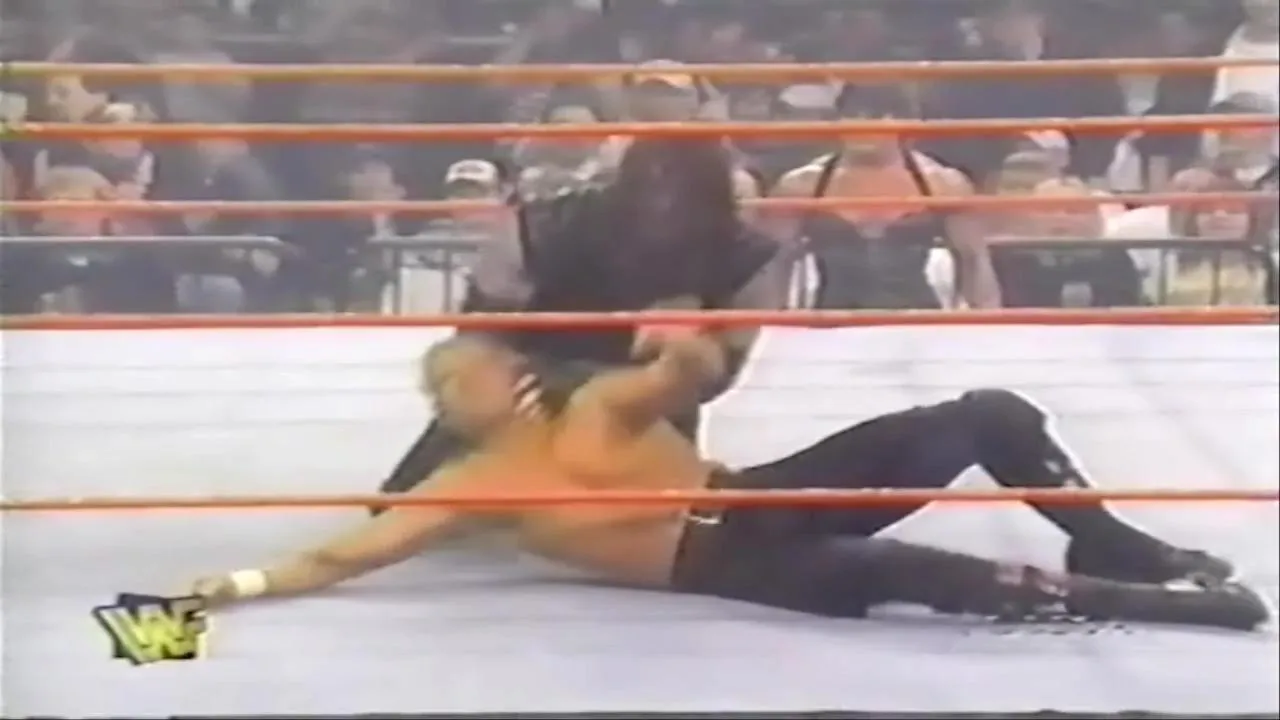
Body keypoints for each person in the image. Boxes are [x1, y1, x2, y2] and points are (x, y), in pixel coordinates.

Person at [191, 331, 1269, 632]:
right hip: (715, 560)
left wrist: (685, 342)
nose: (468, 382)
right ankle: (1153, 606)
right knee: (899, 570)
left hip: (757, 491)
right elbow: (344, 555)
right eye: (453, 378)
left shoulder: (593, 405)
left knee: (986, 411)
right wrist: (229, 588)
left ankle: (1108, 540)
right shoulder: (471, 483)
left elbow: (684, 376)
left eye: (476, 366)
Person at [371, 138, 786, 511]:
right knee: (411, 500)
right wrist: (501, 386)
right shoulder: (541, 225)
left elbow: (721, 372)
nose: (664, 200)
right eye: (653, 182)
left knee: (657, 519)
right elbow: (480, 331)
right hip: (531, 374)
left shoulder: (745, 255)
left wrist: (680, 355)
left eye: (681, 186)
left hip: (646, 395)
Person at [773, 84, 1002, 310]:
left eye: (875, 115)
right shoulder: (802, 184)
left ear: (902, 121)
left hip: (916, 319)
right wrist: (762, 325)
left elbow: (974, 261)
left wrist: (989, 324)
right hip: (832, 320)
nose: (862, 125)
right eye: (852, 115)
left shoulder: (943, 183)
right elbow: (775, 264)